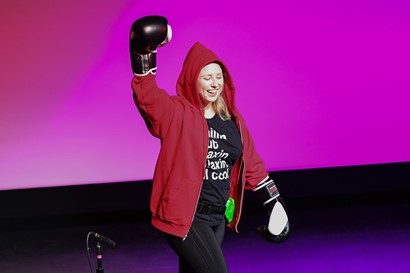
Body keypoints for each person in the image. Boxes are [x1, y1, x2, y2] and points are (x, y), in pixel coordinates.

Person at [129, 15, 290, 273]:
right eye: (207, 78)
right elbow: (148, 98)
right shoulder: (178, 113)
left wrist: (273, 201)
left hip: (216, 217)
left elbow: (251, 162)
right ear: (194, 79)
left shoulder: (231, 119)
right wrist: (142, 57)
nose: (215, 84)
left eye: (219, 76)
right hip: (186, 217)